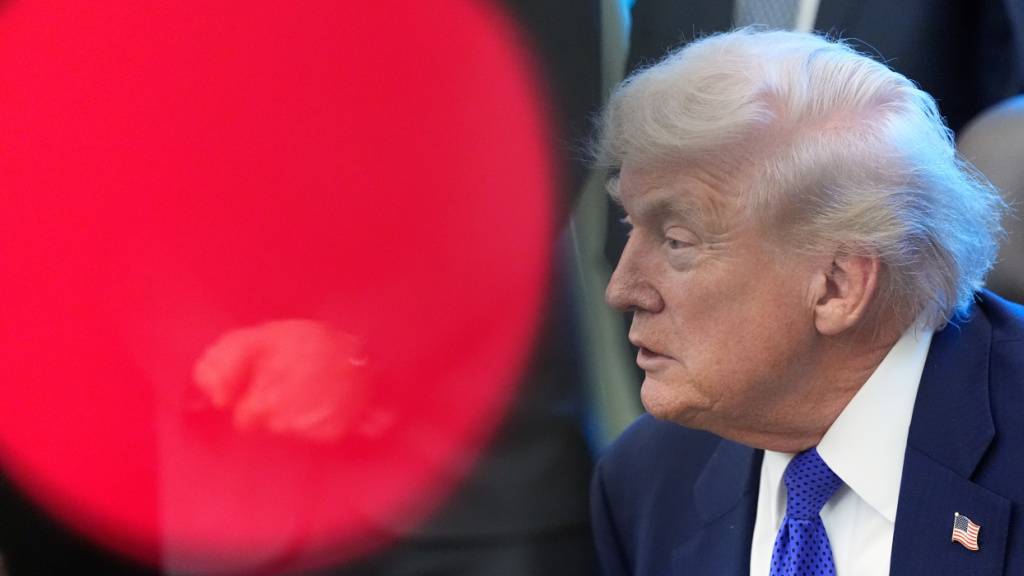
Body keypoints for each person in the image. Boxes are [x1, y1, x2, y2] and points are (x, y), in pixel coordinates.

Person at [590, 29, 1024, 576]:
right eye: (631, 226)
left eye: (677, 241)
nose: (622, 290)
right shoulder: (649, 478)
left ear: (839, 286)